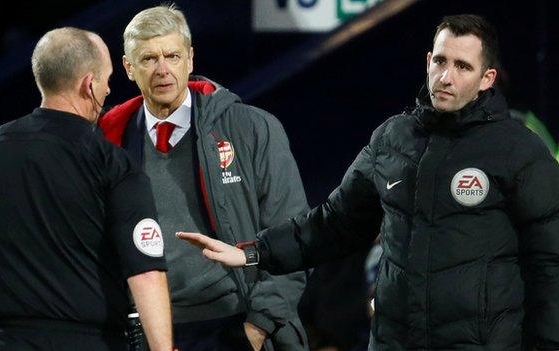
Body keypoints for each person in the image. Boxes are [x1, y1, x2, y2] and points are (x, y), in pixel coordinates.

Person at [177, 14, 559, 351]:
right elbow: (332, 224)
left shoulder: (520, 151)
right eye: (440, 61)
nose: (446, 77)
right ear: (427, 61)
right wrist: (252, 253)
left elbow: (549, 261)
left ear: (486, 79)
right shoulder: (392, 139)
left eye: (462, 66)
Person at [98, 4, 309, 351]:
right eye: (149, 59)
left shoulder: (251, 128)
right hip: (154, 332)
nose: (163, 70)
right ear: (128, 68)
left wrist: (256, 329)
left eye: (172, 56)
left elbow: (295, 234)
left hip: (236, 322)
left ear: (191, 59)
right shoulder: (109, 143)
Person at [0, 27, 173, 351]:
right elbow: (146, 274)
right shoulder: (113, 163)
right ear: (89, 85)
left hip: (0, 342)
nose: (108, 88)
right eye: (106, 79)